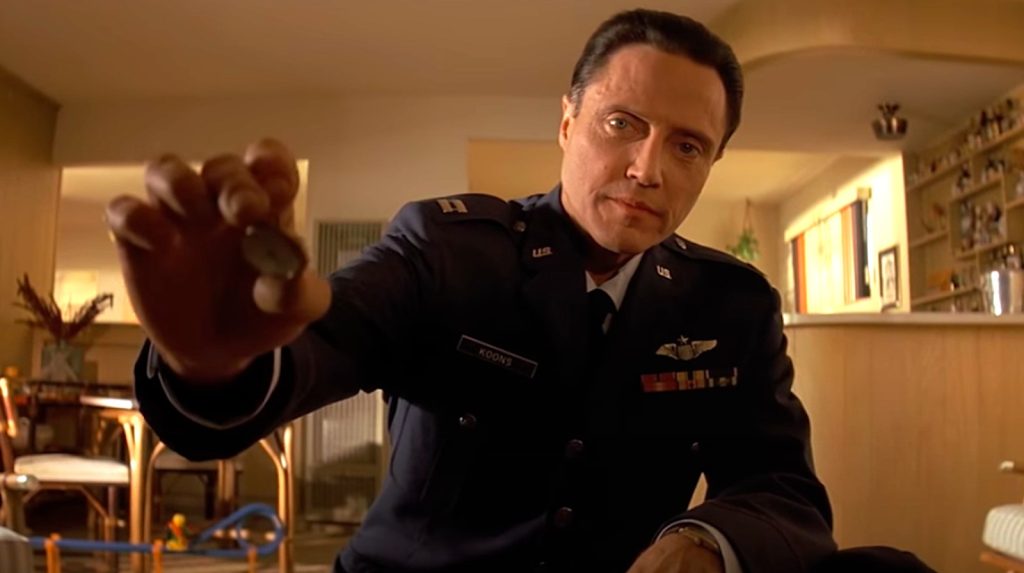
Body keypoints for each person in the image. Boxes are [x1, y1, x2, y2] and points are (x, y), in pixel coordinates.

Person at [105, 9, 934, 573]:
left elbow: (784, 490)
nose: (648, 168)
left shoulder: (731, 305)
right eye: (622, 123)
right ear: (568, 122)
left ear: (710, 164)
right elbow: (323, 341)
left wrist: (707, 537)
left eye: (687, 146)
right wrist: (212, 364)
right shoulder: (449, 250)